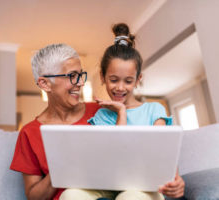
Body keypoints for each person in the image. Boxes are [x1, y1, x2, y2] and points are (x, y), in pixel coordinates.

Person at [64, 23, 184, 199]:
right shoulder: (101, 116)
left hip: (144, 188)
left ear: (137, 80)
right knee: (70, 194)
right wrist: (121, 113)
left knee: (129, 197)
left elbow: (163, 152)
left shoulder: (154, 110)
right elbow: (114, 158)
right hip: (110, 185)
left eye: (128, 81)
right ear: (103, 77)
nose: (120, 87)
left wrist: (175, 179)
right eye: (114, 80)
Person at [10, 44, 118, 200]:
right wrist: (61, 164)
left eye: (81, 75)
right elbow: (34, 197)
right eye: (72, 76)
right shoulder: (29, 133)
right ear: (45, 84)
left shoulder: (101, 111)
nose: (80, 83)